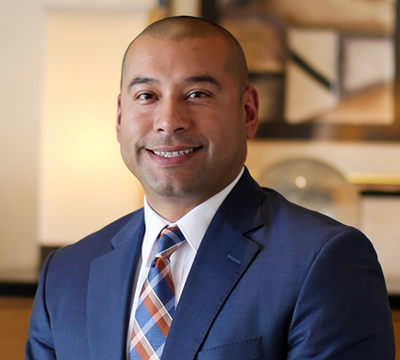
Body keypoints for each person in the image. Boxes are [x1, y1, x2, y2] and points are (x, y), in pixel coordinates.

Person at [26, 16, 395, 360]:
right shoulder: (66, 272)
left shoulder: (325, 260)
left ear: (248, 112)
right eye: (147, 96)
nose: (169, 122)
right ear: (120, 118)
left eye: (197, 94)